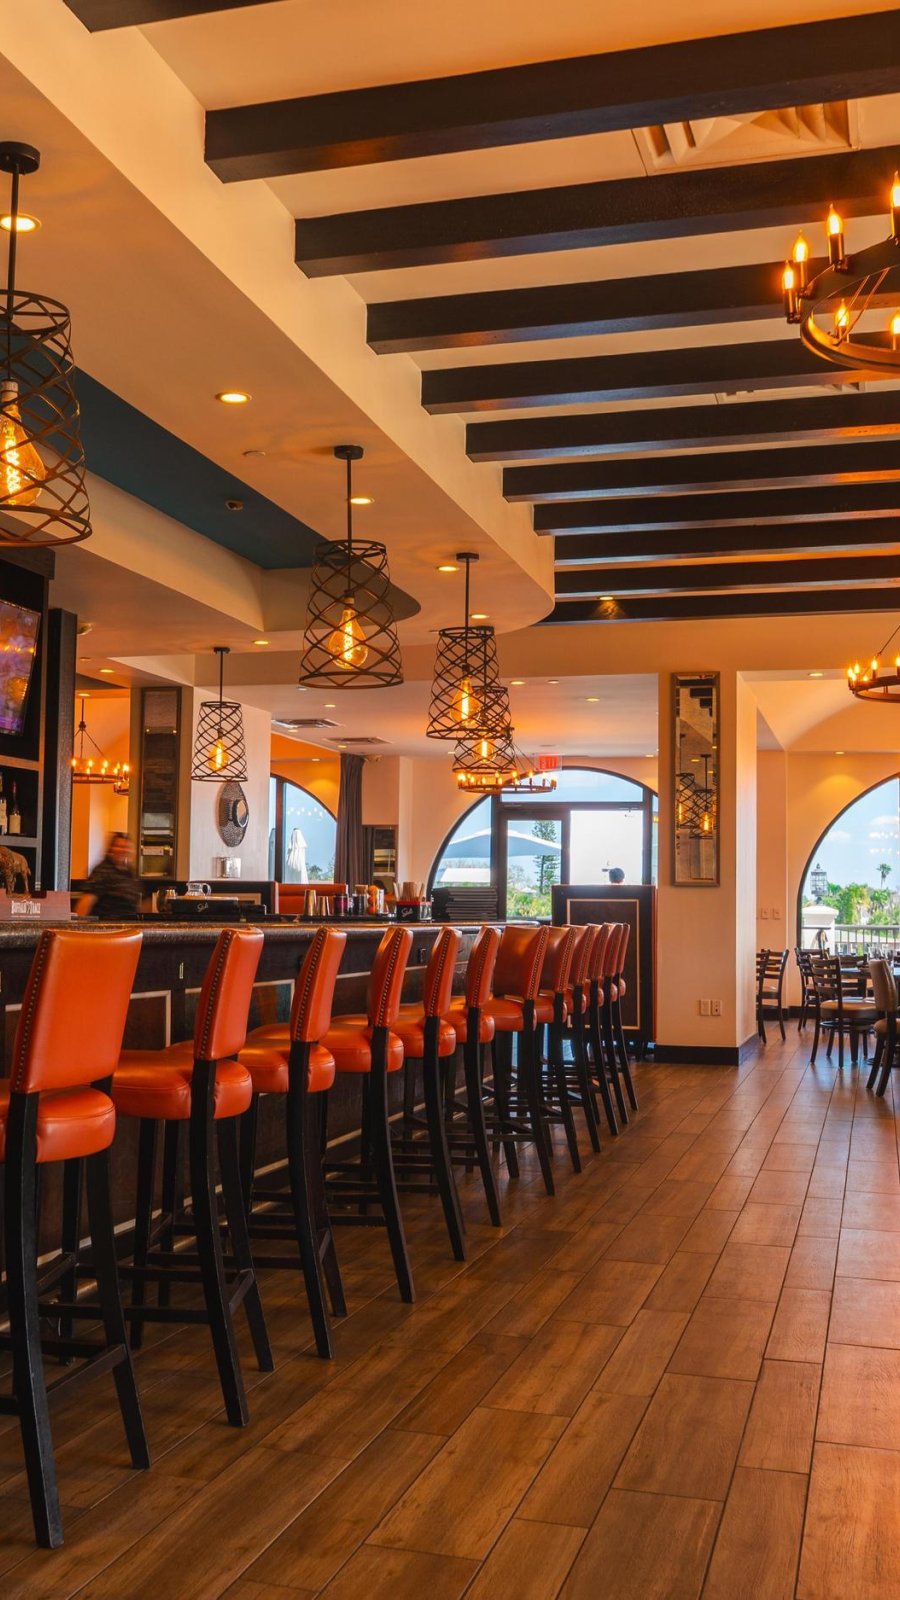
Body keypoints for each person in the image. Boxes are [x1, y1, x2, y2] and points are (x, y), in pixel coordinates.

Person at [76, 832, 142, 920]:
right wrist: (77, 928)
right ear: (111, 849)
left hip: (128, 929)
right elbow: (86, 902)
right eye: (119, 846)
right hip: (106, 929)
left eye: (126, 847)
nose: (123, 850)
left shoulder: (130, 873)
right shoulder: (102, 871)